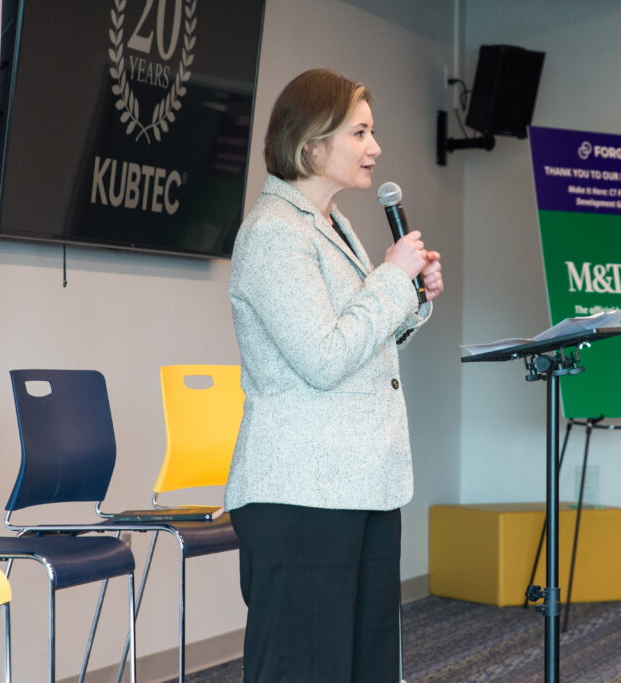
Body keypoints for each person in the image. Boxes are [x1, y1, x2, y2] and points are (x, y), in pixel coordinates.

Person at [225, 68, 443, 682]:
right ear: (311, 143)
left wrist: (411, 301)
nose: (375, 148)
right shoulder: (273, 233)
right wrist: (389, 282)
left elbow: (359, 343)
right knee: (308, 669)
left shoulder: (332, 225)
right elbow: (322, 356)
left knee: (366, 666)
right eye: (360, 132)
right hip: (302, 492)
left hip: (360, 484)